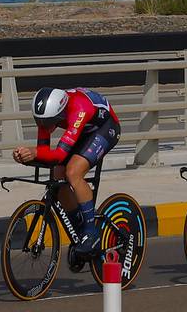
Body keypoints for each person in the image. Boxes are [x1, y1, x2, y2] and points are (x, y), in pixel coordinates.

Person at [13, 87, 121, 256]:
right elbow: (45, 153)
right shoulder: (47, 116)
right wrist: (24, 156)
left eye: (48, 123)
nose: (44, 127)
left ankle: (91, 233)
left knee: (73, 173)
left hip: (105, 128)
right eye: (39, 122)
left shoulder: (79, 109)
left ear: (60, 113)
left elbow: (58, 154)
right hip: (83, 130)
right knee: (57, 175)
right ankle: (79, 224)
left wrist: (34, 152)